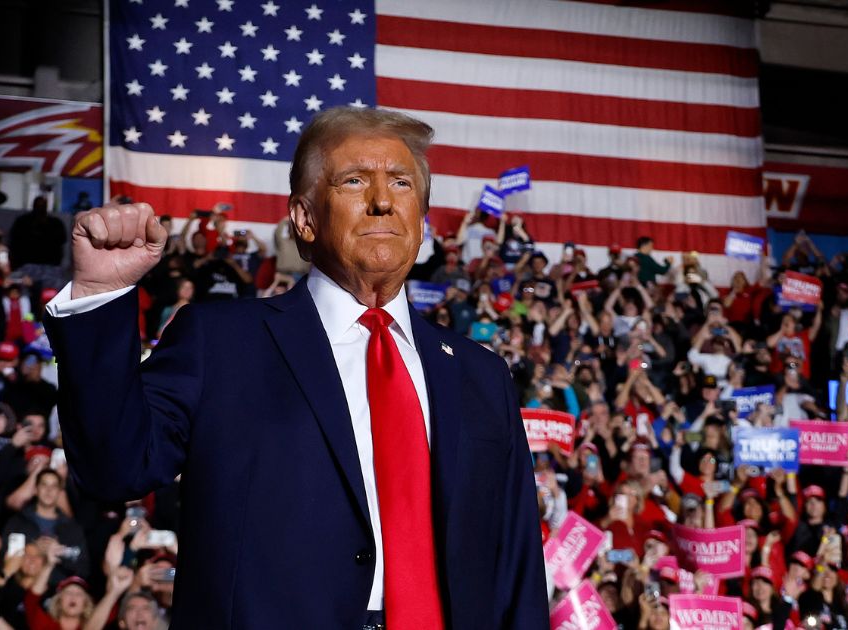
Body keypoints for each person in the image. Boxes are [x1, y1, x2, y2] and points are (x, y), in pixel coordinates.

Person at [44, 107, 547, 627]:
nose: (381, 201)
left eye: (401, 183)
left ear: (421, 221)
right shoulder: (220, 341)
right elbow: (113, 469)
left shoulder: (481, 375)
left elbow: (516, 568)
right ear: (304, 218)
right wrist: (100, 298)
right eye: (355, 181)